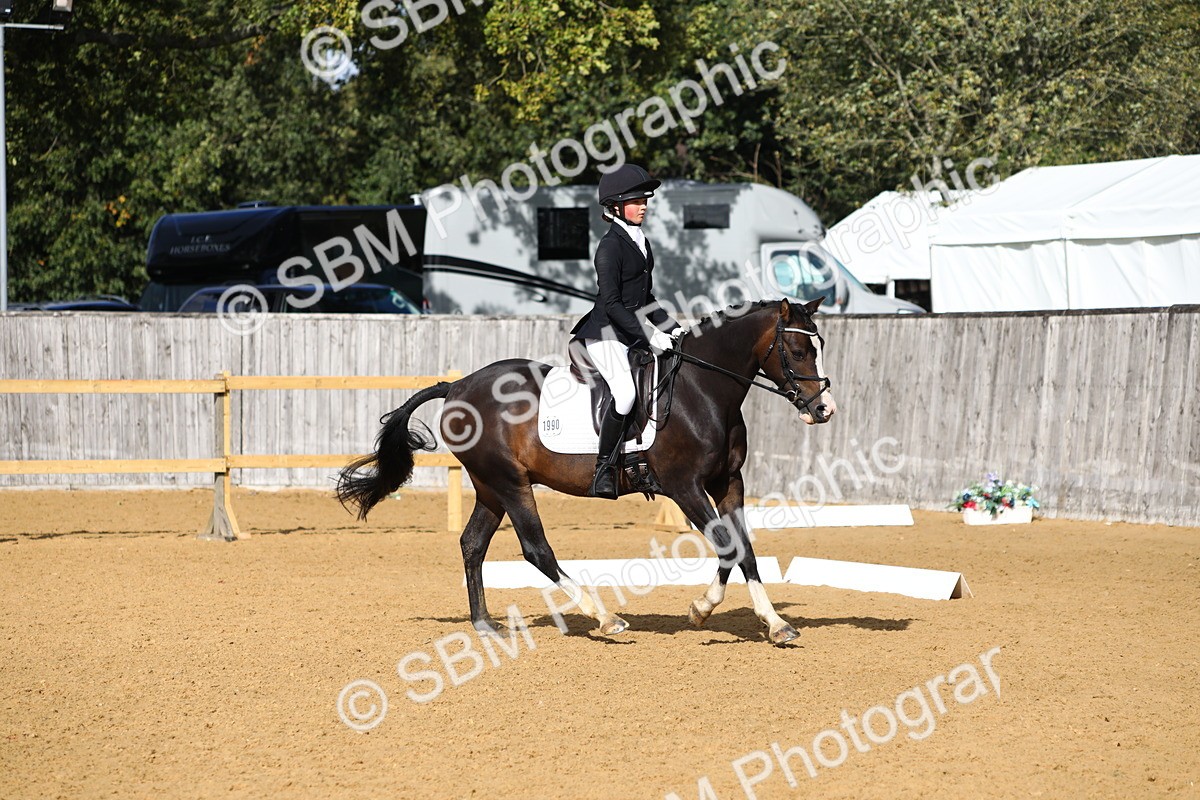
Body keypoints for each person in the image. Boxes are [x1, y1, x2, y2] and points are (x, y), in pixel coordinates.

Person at [570, 164, 681, 499]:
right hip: (604, 334)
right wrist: (649, 336)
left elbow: (645, 298)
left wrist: (673, 328)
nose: (643, 205)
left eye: (645, 199)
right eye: (636, 200)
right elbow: (613, 303)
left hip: (628, 332)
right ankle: (603, 469)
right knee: (626, 393)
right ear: (616, 206)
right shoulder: (609, 247)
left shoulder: (641, 242)